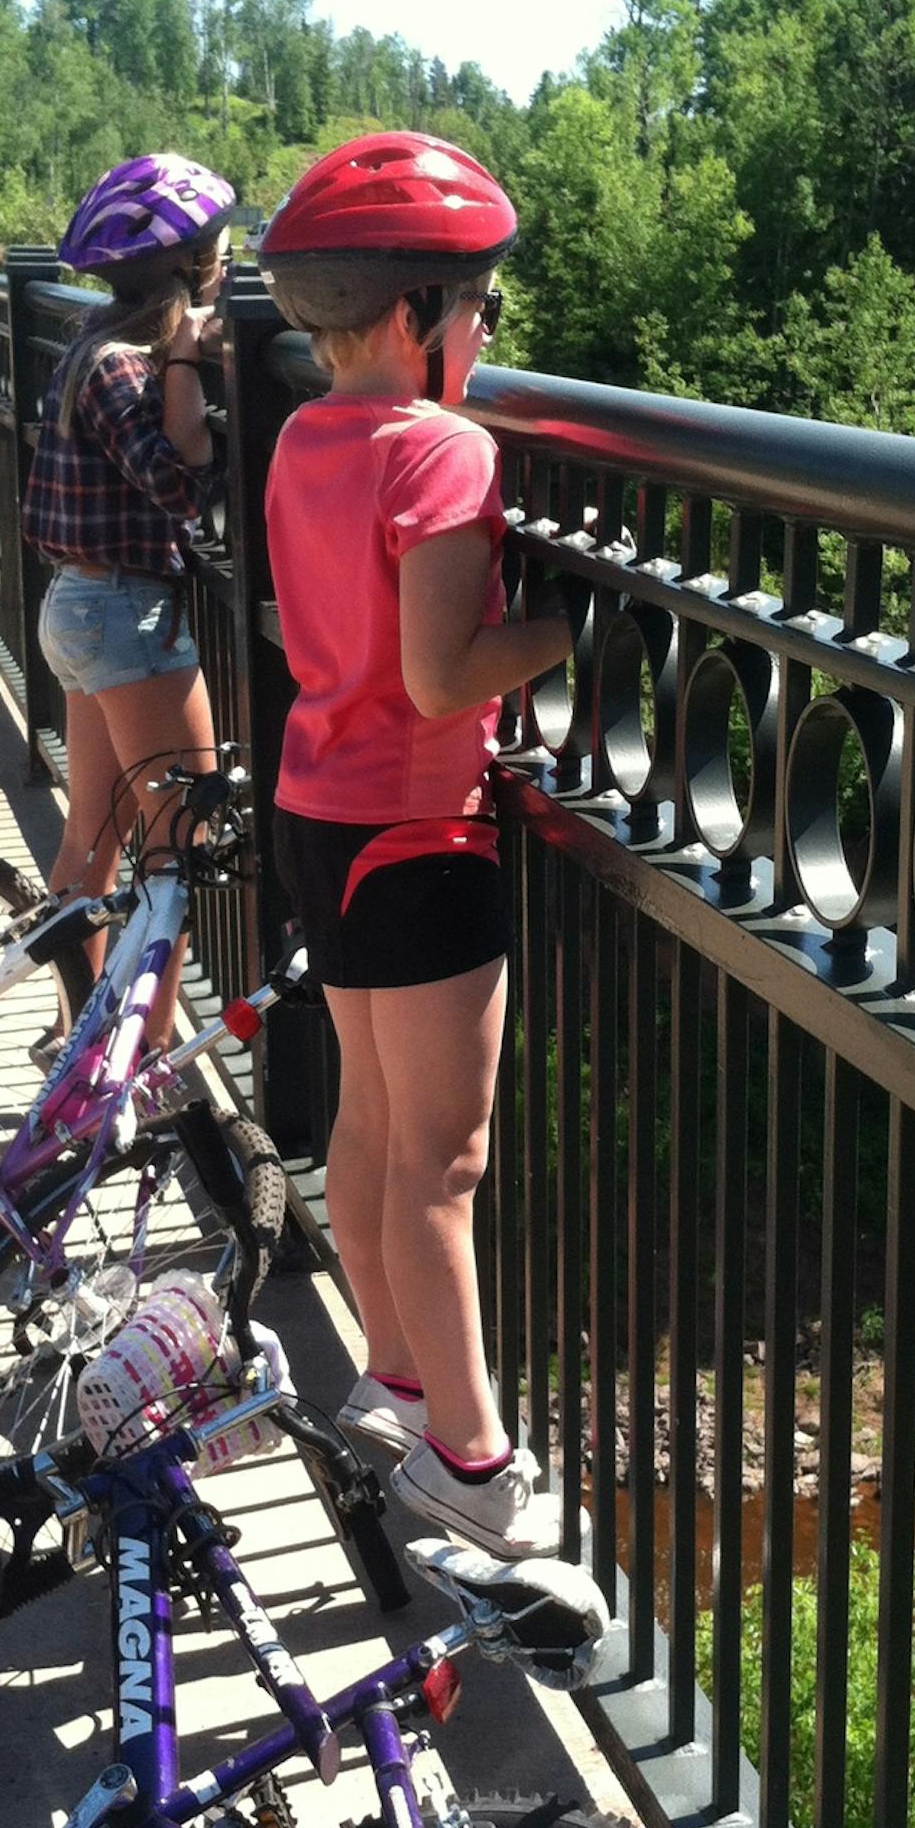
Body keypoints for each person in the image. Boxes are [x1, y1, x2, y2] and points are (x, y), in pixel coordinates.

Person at [257, 132, 573, 1559]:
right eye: (480, 305)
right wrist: (574, 630)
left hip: (322, 813)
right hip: (419, 832)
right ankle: (472, 1461)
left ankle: (390, 1381)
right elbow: (448, 676)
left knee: (372, 1124)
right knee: (445, 1165)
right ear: (411, 318)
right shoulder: (445, 449)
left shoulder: (303, 436)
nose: (487, 330)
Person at [22, 155, 235, 1039]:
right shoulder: (124, 368)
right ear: (194, 267)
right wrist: (186, 358)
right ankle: (143, 1058)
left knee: (94, 837)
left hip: (79, 607)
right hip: (125, 617)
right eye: (224, 252)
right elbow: (181, 487)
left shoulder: (90, 345)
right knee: (182, 840)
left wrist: (180, 358)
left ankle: (79, 1031)